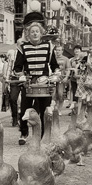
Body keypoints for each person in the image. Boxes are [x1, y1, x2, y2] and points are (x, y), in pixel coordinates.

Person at [13, 12, 60, 144]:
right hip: (28, 82)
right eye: (32, 31)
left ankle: (44, 135)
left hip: (44, 82)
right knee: (24, 108)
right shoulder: (23, 47)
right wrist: (21, 76)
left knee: (45, 109)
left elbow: (54, 65)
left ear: (41, 33)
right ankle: (23, 132)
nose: (34, 34)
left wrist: (56, 74)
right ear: (28, 34)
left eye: (37, 31)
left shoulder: (48, 46)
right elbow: (17, 67)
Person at [72, 45, 92, 124]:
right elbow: (80, 68)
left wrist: (90, 67)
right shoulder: (85, 58)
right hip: (83, 80)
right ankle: (81, 116)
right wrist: (79, 69)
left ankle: (91, 116)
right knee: (81, 99)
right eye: (90, 49)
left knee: (90, 100)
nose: (91, 50)